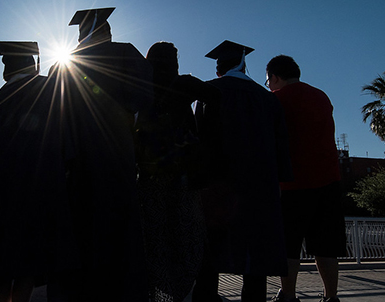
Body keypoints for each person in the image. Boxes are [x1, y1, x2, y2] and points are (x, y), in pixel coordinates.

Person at [47, 7, 153, 302]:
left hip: (72, 162)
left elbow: (52, 116)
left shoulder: (63, 66)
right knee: (117, 236)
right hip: (115, 157)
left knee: (76, 237)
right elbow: (143, 99)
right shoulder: (124, 54)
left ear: (81, 35)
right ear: (106, 31)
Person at [192, 40, 293, 302]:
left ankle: (207, 298)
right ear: (243, 64)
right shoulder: (266, 99)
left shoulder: (208, 92)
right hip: (260, 188)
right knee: (255, 256)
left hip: (217, 187)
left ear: (219, 69)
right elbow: (281, 144)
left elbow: (197, 140)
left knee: (210, 253)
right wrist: (280, 181)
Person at [0, 41, 73, 302]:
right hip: (41, 185)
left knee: (3, 256)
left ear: (7, 70)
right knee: (29, 258)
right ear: (32, 64)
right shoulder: (48, 87)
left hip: (5, 190)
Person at [136, 41, 219, 302]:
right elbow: (217, 98)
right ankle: (185, 289)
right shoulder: (184, 84)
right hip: (183, 175)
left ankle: (159, 292)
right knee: (188, 235)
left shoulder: (141, 86)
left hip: (149, 176)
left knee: (154, 236)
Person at [266, 55, 345, 302]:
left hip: (293, 184)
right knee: (326, 247)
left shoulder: (276, 100)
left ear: (276, 77)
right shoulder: (321, 97)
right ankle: (331, 297)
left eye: (268, 80)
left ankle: (288, 294)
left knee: (289, 245)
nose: (269, 85)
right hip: (330, 181)